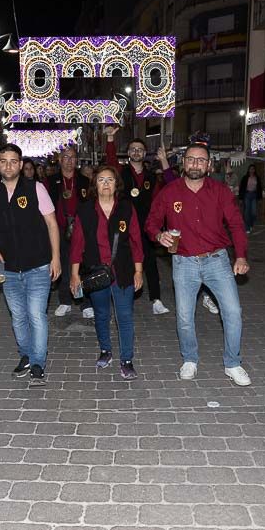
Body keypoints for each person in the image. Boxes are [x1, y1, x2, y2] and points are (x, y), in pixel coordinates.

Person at [146, 142, 251, 386]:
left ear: (209, 164)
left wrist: (242, 256)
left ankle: (233, 363)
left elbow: (236, 224)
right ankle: (190, 359)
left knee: (233, 312)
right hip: (183, 263)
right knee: (184, 316)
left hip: (218, 261)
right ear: (183, 163)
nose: (195, 164)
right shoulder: (169, 192)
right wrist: (158, 235)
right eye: (191, 159)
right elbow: (151, 221)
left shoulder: (220, 191)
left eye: (201, 160)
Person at [0, 144, 61, 387]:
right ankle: (26, 355)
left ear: (20, 164)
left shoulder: (36, 189)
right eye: (3, 161)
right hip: (8, 269)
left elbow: (52, 224)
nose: (8, 165)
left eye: (13, 161)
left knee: (36, 315)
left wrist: (56, 257)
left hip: (38, 265)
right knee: (18, 317)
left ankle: (38, 363)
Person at [69, 166, 144, 380]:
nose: (105, 184)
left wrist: (139, 271)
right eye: (101, 180)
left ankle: (127, 360)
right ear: (95, 184)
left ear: (116, 184)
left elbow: (137, 241)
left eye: (110, 180)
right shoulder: (84, 210)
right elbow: (77, 245)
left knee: (125, 316)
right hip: (95, 272)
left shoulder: (127, 208)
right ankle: (105, 350)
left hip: (123, 271)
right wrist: (75, 274)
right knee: (101, 314)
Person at [104, 127, 173, 314]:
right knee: (121, 260)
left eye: (140, 149)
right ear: (128, 153)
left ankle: (156, 300)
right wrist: (110, 139)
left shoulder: (151, 176)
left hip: (146, 225)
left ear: (145, 153)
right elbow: (110, 160)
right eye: (133, 149)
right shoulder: (121, 172)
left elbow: (165, 193)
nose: (136, 152)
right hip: (123, 223)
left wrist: (164, 161)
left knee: (149, 261)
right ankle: (121, 297)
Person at [46, 145, 92, 319]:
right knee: (63, 265)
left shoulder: (85, 181)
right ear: (59, 160)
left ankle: (84, 302)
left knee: (82, 266)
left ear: (77, 160)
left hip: (81, 230)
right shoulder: (50, 181)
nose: (69, 161)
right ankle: (65, 301)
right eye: (65, 157)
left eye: (72, 157)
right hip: (58, 230)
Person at [238, 166, 260, 233]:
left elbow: (259, 187)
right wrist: (241, 198)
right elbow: (241, 188)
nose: (252, 170)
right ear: (248, 170)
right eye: (251, 169)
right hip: (247, 195)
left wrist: (259, 197)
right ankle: (247, 227)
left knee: (253, 212)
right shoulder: (245, 178)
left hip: (254, 195)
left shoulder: (257, 178)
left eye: (253, 169)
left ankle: (251, 224)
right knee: (247, 211)